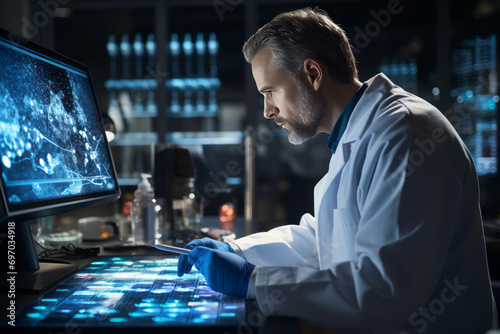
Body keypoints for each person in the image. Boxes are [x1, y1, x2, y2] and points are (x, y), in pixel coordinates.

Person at [177, 7, 497, 333]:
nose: (267, 111)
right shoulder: (360, 131)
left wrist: (252, 280)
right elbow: (324, 240)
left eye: (270, 92)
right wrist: (237, 250)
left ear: (313, 74)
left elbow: (382, 293)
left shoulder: (404, 135)